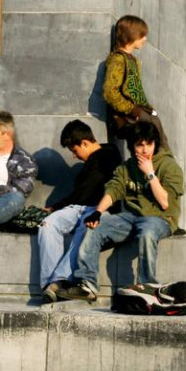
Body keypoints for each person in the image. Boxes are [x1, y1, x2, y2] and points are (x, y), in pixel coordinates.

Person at [60, 121, 183, 302]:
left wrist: (150, 174)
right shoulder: (127, 167)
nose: (145, 150)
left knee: (148, 232)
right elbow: (114, 190)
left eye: (149, 144)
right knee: (94, 226)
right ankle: (87, 285)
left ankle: (148, 286)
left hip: (161, 218)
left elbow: (165, 202)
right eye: (139, 145)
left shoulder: (169, 165)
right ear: (132, 146)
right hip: (132, 218)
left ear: (155, 144)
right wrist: (98, 213)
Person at [36, 120, 121, 303]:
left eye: (74, 150)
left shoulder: (108, 155)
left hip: (96, 209)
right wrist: (52, 209)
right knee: (47, 224)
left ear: (85, 142)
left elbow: (85, 193)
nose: (74, 156)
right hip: (76, 208)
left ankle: (60, 281)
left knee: (85, 228)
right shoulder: (91, 161)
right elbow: (79, 194)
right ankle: (50, 284)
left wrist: (55, 206)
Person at [103, 15, 168, 146]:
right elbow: (110, 92)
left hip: (142, 113)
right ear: (131, 35)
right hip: (129, 116)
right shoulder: (118, 59)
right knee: (155, 148)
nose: (145, 39)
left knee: (161, 144)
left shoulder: (133, 60)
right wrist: (133, 111)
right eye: (142, 35)